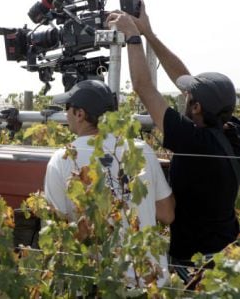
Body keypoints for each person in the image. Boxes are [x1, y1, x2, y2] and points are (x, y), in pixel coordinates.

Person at [107, 3, 240, 282]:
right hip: (228, 252)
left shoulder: (193, 141)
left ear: (196, 108)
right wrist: (149, 35)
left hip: (195, 262)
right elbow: (185, 81)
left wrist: (133, 38)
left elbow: (144, 88)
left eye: (189, 97)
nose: (184, 96)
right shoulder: (231, 130)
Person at [43, 79, 175, 285]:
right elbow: (167, 214)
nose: (65, 114)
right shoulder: (141, 150)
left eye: (67, 108)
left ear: (80, 114)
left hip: (101, 283)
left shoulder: (63, 159)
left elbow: (59, 233)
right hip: (151, 283)